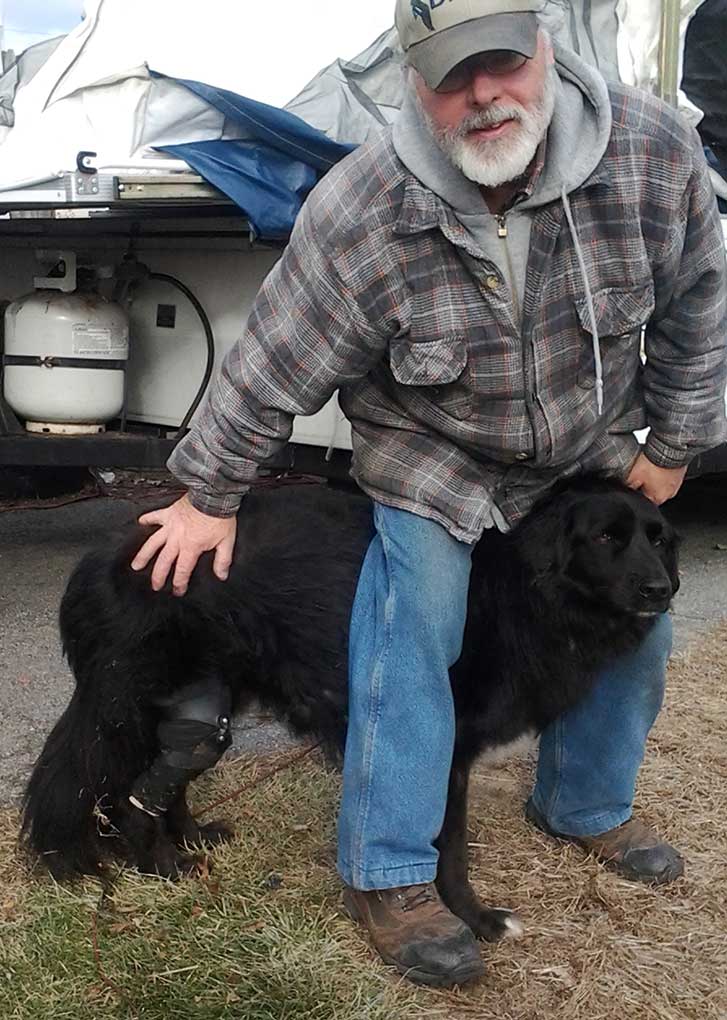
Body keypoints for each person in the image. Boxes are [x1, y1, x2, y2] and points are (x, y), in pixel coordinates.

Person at [131, 0, 727, 988]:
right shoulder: (365, 202)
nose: (485, 94)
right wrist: (208, 491)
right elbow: (275, 359)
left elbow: (702, 295)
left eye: (503, 63)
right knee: (416, 629)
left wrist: (676, 438)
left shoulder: (653, 154)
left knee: (640, 622)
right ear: (415, 85)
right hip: (431, 457)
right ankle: (393, 873)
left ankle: (584, 804)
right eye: (454, 76)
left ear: (546, 50)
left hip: (581, 445)